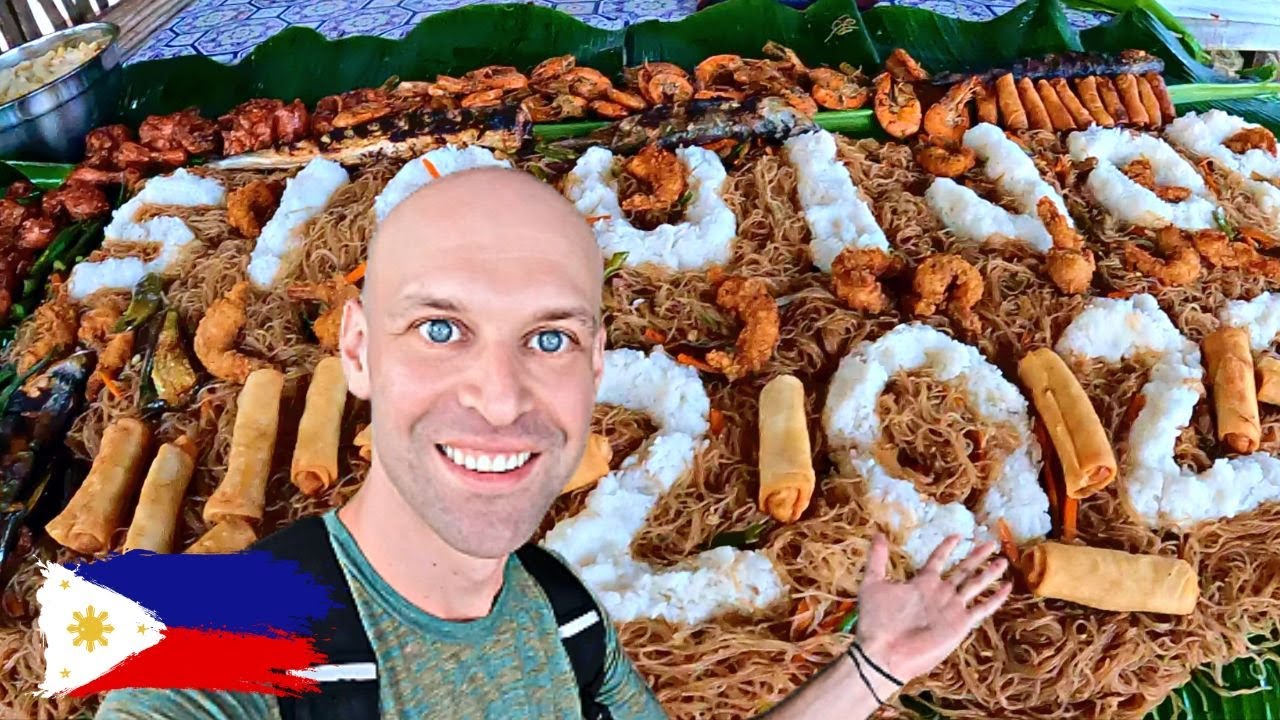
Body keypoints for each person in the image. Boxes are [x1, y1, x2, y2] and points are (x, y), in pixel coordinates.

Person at [96, 167, 1011, 720]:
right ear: (358, 353)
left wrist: (874, 663)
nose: (499, 398)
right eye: (442, 329)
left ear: (596, 369)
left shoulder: (566, 615)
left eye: (548, 339)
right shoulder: (208, 653)